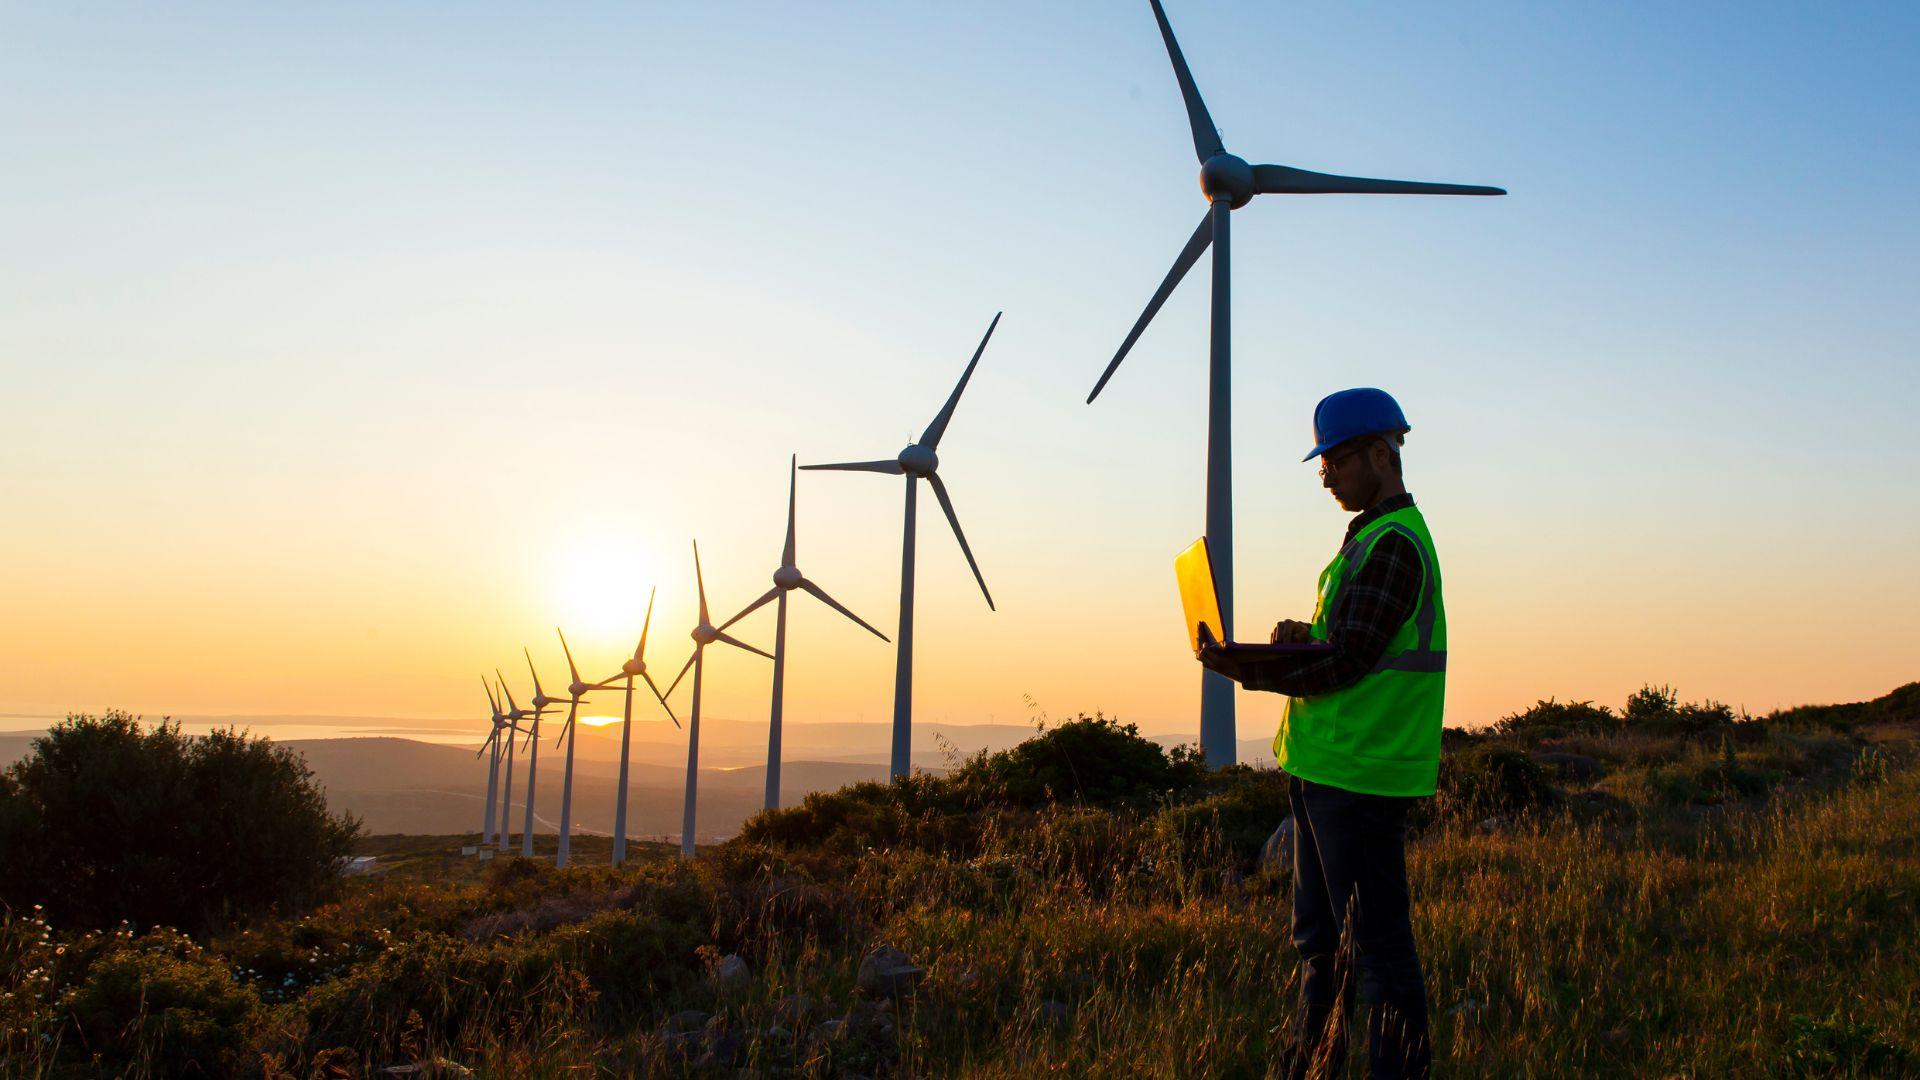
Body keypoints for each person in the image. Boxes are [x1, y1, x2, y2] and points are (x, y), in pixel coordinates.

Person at [1197, 387, 1445, 1079]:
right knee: (1321, 944)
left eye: (1334, 461)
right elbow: (1348, 638)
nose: (1325, 476)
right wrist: (1297, 637)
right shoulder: (1368, 539)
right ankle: (1306, 1067)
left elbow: (1350, 660)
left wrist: (1248, 669)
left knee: (1378, 952)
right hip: (1327, 770)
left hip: (1361, 776)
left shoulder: (1394, 545)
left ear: (1380, 455)